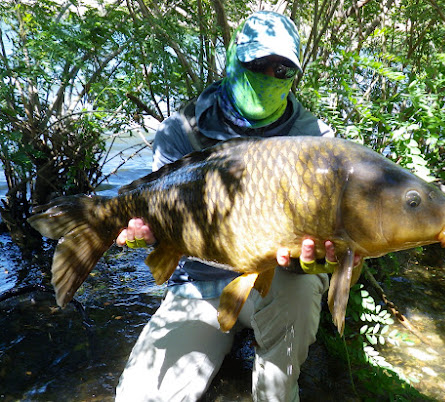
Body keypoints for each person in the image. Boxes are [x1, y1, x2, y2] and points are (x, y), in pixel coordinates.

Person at [115, 11, 356, 401]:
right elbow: (157, 222)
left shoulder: (316, 141)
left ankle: (277, 389)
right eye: (258, 64)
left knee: (303, 287)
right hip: (197, 283)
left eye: (282, 69)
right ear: (233, 60)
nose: (269, 75)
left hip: (276, 283)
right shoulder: (182, 130)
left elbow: (335, 250)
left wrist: (324, 262)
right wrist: (149, 236)